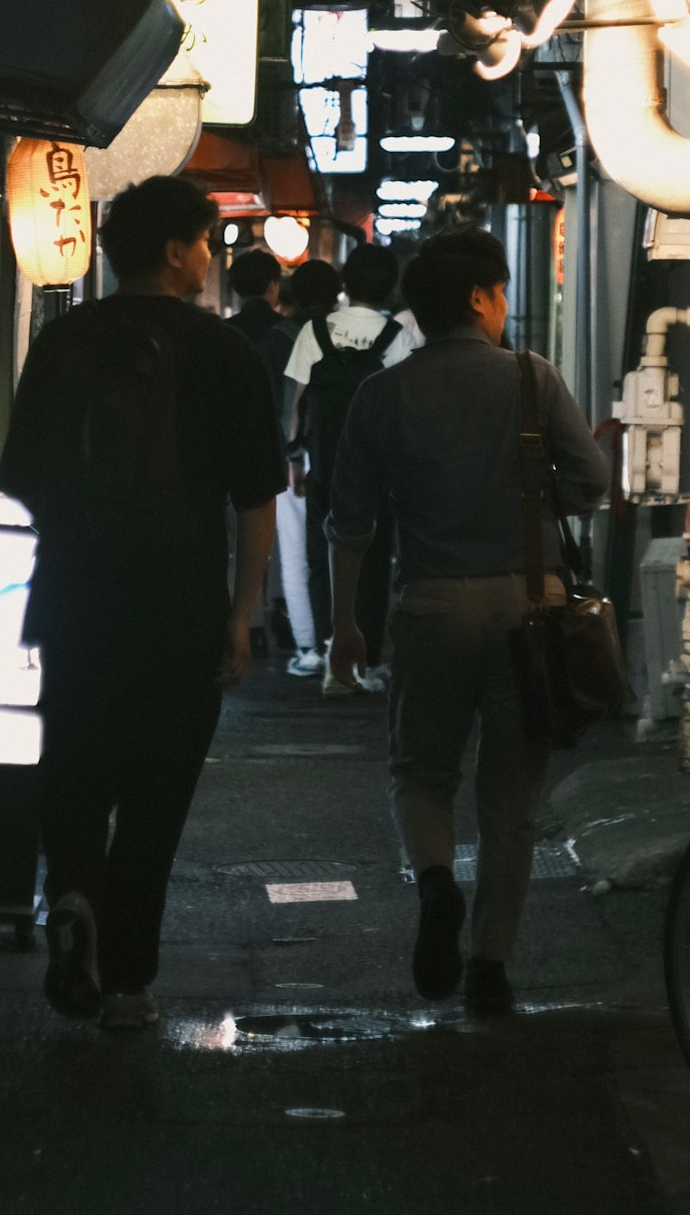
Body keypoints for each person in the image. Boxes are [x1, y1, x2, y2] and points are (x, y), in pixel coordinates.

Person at [0, 175, 283, 1031]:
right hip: (179, 603)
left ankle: (74, 892)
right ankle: (127, 982)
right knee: (157, 798)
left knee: (76, 770)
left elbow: (23, 487)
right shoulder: (222, 351)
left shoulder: (63, 342)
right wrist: (243, 612)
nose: (210, 259)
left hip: (74, 600)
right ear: (173, 250)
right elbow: (255, 497)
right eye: (205, 242)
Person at [326, 227, 608, 1015]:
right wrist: (534, 483)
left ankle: (437, 883)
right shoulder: (532, 378)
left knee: (421, 773)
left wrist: (347, 624)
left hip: (431, 602)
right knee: (511, 805)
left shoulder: (380, 394)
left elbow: (348, 522)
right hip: (529, 605)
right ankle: (489, 969)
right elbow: (590, 485)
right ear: (483, 298)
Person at [284, 240, 413, 695]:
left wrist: (295, 457)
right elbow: (406, 411)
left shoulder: (314, 332)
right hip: (378, 473)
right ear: (391, 285)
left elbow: (295, 404)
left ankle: (326, 651)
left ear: (346, 283)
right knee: (374, 564)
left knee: (321, 558)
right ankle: (370, 662)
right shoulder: (398, 337)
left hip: (324, 464)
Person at [226, 246, 311, 669]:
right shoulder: (289, 334)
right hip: (280, 448)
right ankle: (281, 614)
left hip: (228, 447)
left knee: (239, 538)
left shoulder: (223, 335)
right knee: (283, 538)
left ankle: (251, 624)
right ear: (274, 286)